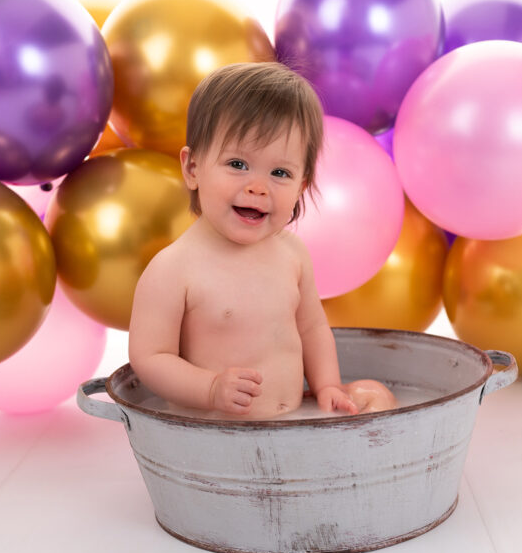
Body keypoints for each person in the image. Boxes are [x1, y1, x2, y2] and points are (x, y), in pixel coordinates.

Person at [127, 62, 396, 419]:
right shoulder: (174, 269)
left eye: (280, 172)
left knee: (377, 394)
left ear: (301, 186)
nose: (258, 187)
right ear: (193, 168)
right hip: (218, 432)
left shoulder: (292, 254)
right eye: (238, 164)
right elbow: (150, 358)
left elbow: (312, 328)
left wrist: (327, 386)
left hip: (292, 422)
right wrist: (210, 388)